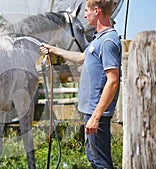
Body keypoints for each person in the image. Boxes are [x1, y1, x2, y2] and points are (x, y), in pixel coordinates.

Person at [40, 0, 121, 168]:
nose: (84, 15)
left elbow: (113, 81)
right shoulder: (98, 40)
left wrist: (96, 117)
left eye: (87, 11)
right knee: (93, 157)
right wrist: (54, 50)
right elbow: (81, 58)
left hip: (96, 114)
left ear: (97, 11)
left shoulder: (108, 41)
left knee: (101, 163)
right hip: (90, 112)